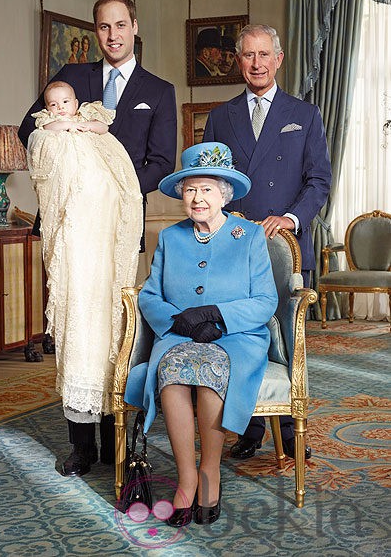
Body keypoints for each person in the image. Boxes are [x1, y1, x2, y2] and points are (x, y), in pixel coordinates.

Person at [18, 0, 177, 478]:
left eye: (120, 25)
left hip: (118, 230)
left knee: (116, 332)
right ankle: (80, 445)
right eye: (104, 27)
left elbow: (161, 164)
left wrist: (115, 189)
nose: (112, 35)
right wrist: (64, 135)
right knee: (75, 330)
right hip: (70, 234)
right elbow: (31, 128)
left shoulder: (159, 89)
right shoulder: (72, 78)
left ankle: (117, 439)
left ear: (134, 26)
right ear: (96, 32)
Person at [125, 141, 278, 526]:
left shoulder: (251, 236)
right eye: (190, 189)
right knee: (173, 374)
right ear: (182, 194)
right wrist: (178, 322)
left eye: (207, 189)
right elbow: (149, 294)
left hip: (236, 337)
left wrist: (215, 314)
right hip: (179, 335)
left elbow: (265, 301)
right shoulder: (172, 237)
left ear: (223, 194)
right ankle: (186, 479)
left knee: (210, 373)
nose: (197, 198)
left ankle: (210, 474)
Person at [203, 24, 332, 461]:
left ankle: (294, 431)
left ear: (278, 59)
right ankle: (252, 426)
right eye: (248, 55)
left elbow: (319, 182)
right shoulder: (221, 117)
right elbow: (210, 182)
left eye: (264, 55)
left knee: (289, 341)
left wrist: (292, 218)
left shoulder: (305, 114)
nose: (256, 63)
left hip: (286, 247)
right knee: (243, 335)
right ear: (239, 61)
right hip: (236, 246)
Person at [27, 79, 143, 477]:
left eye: (65, 102)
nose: (60, 108)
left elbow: (125, 177)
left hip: (111, 253)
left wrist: (85, 126)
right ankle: (82, 447)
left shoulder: (96, 126)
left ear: (76, 102)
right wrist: (59, 128)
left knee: (115, 343)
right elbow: (45, 175)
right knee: (80, 344)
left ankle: (115, 444)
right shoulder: (47, 135)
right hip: (76, 258)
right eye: (53, 104)